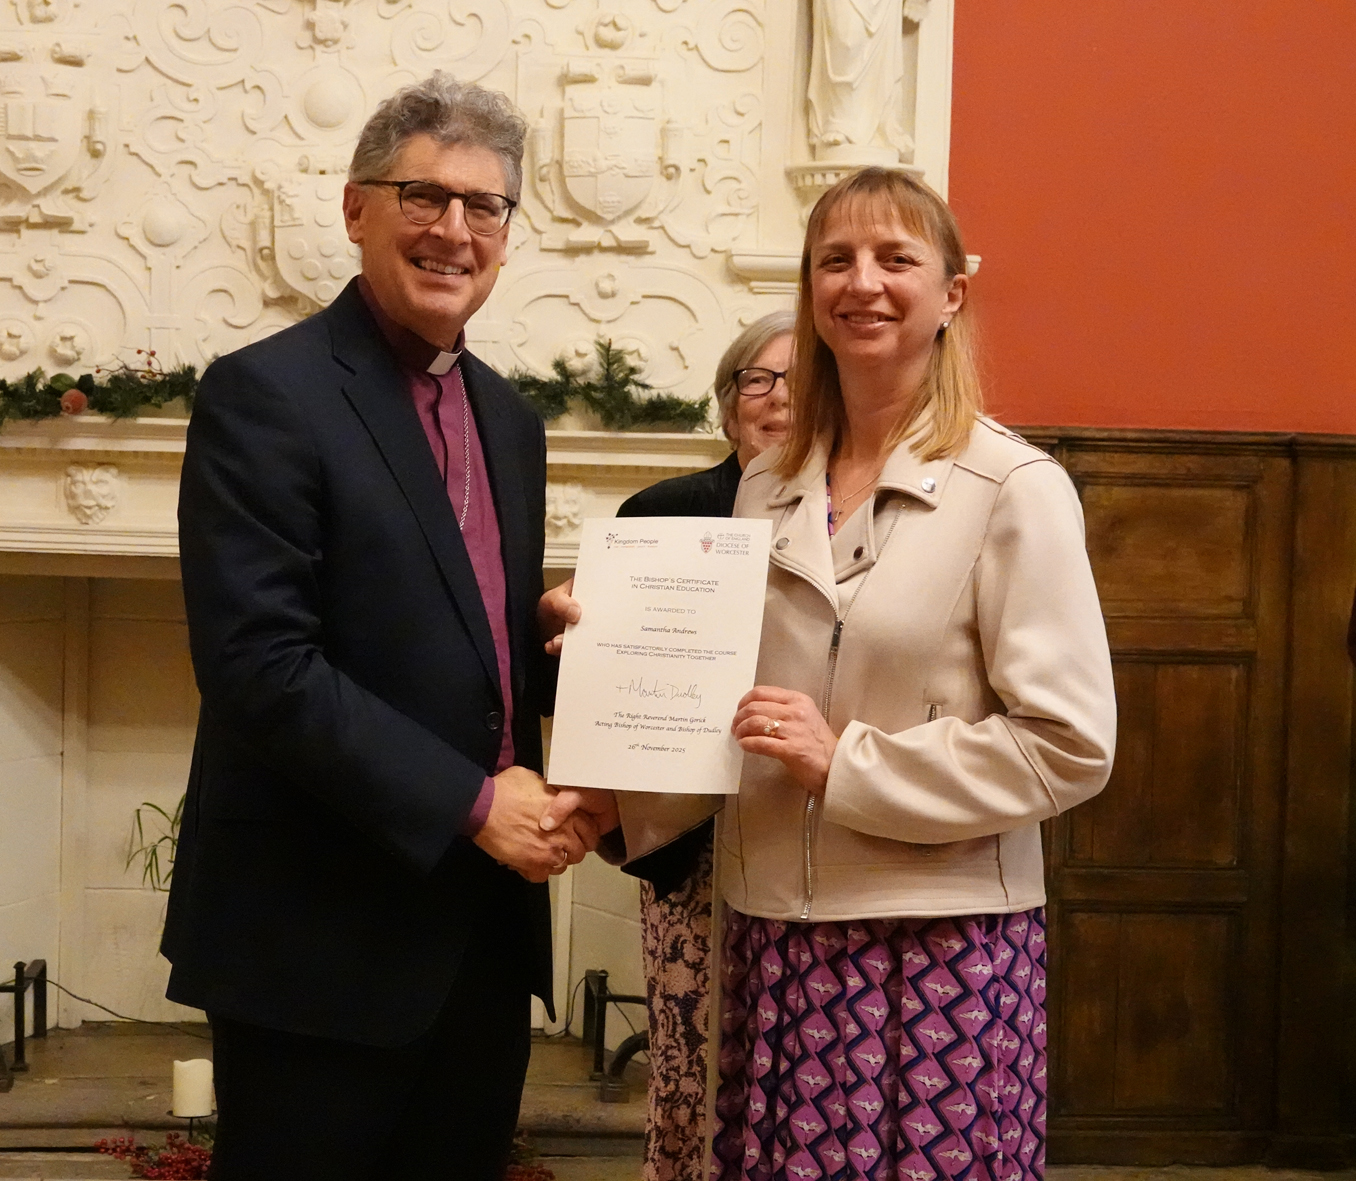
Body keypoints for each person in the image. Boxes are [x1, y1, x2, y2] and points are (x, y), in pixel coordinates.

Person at [548, 167, 1115, 1180]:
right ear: (810, 289)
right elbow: (734, 711)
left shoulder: (1012, 488)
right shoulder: (765, 485)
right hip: (768, 935)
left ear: (950, 293)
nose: (862, 281)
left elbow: (1067, 745)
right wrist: (609, 693)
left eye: (895, 257)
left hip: (934, 950)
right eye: (834, 258)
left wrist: (845, 760)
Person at [161, 72, 614, 1181]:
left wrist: (554, 648)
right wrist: (472, 802)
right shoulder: (266, 393)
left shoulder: (509, 419)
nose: (453, 229)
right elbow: (258, 666)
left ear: (507, 232)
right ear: (356, 207)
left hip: (475, 938)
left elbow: (455, 642)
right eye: (422, 194)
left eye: (484, 205)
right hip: (317, 942)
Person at [541, 309, 796, 1181]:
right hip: (690, 843)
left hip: (815, 837)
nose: (780, 398)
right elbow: (588, 681)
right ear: (728, 407)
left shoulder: (853, 523)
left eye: (804, 379)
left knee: (797, 1067)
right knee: (690, 1067)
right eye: (758, 380)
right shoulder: (659, 516)